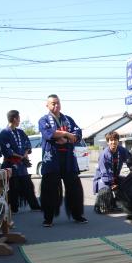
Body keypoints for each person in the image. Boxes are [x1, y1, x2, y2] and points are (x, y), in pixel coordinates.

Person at [38, 94, 87, 227]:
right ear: (47, 105)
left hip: (68, 159)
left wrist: (68, 138)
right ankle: (48, 218)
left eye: (58, 103)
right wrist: (66, 134)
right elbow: (49, 134)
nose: (56, 105)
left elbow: (78, 134)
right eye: (53, 103)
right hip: (52, 159)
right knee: (50, 189)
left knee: (75, 188)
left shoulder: (68, 119)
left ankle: (78, 215)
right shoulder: (43, 120)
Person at [0, 110, 40, 213]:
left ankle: (34, 205)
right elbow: (7, 151)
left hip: (21, 164)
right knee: (12, 186)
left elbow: (27, 144)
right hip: (10, 164)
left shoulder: (20, 132)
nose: (19, 120)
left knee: (28, 185)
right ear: (15, 119)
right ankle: (13, 207)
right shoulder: (4, 133)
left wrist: (25, 154)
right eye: (19, 118)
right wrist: (20, 156)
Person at [93, 131, 132, 214]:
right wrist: (112, 184)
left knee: (128, 184)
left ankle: (118, 202)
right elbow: (105, 172)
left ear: (118, 141)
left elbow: (131, 161)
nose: (113, 142)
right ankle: (102, 205)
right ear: (108, 142)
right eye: (111, 140)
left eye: (115, 140)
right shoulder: (104, 155)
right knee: (106, 191)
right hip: (103, 178)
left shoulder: (122, 150)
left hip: (115, 177)